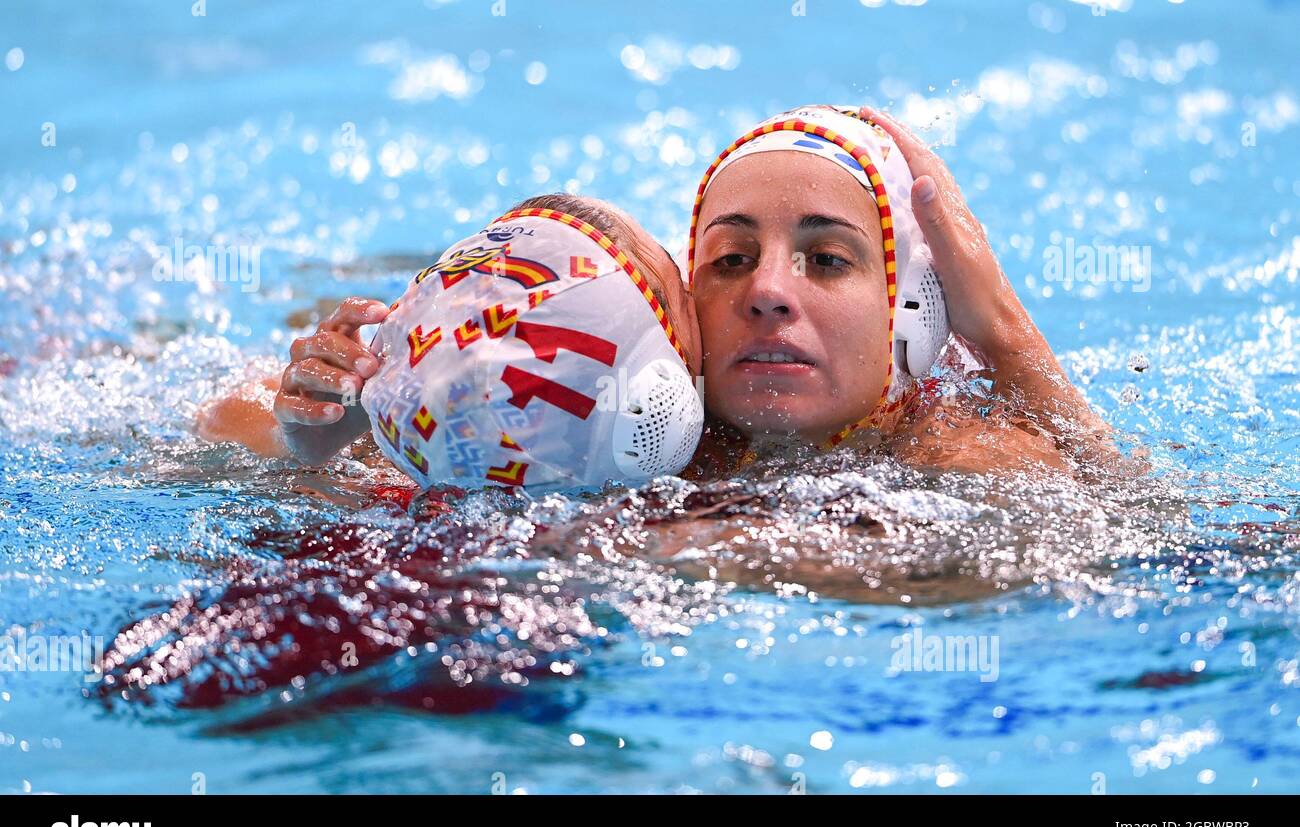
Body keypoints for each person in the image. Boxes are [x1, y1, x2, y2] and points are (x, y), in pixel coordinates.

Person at [686, 104, 1118, 477]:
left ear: (912, 309)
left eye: (826, 259)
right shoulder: (636, 442)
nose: (767, 290)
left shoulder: (967, 463)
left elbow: (1132, 538)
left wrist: (1004, 334)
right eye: (731, 260)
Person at [195, 194, 705, 491]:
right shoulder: (686, 530)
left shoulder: (380, 487)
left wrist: (301, 454)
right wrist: (311, 435)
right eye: (681, 296)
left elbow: (212, 416)